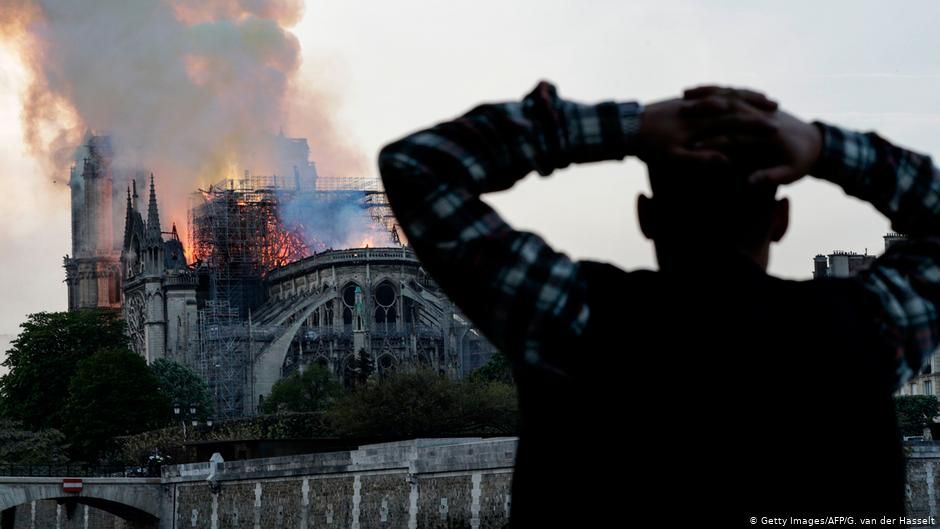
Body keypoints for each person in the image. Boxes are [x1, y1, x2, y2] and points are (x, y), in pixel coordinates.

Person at [378, 82, 940, 526]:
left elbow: (418, 166)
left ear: (645, 215)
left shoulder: (572, 315)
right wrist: (822, 147)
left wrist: (626, 128)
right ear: (780, 219)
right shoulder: (866, 329)